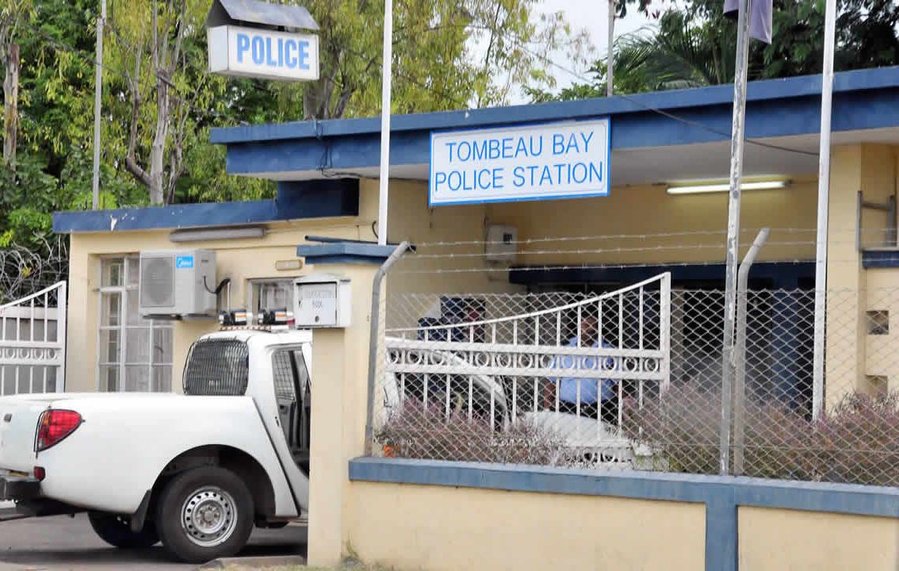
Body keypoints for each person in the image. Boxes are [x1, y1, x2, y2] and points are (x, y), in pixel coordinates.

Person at [544, 312, 619, 425]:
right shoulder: (565, 349)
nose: (591, 329)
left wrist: (625, 405)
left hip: (601, 409)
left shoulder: (608, 350)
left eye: (595, 326)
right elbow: (551, 381)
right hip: (568, 408)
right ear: (578, 326)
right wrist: (547, 409)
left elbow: (618, 383)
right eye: (586, 325)